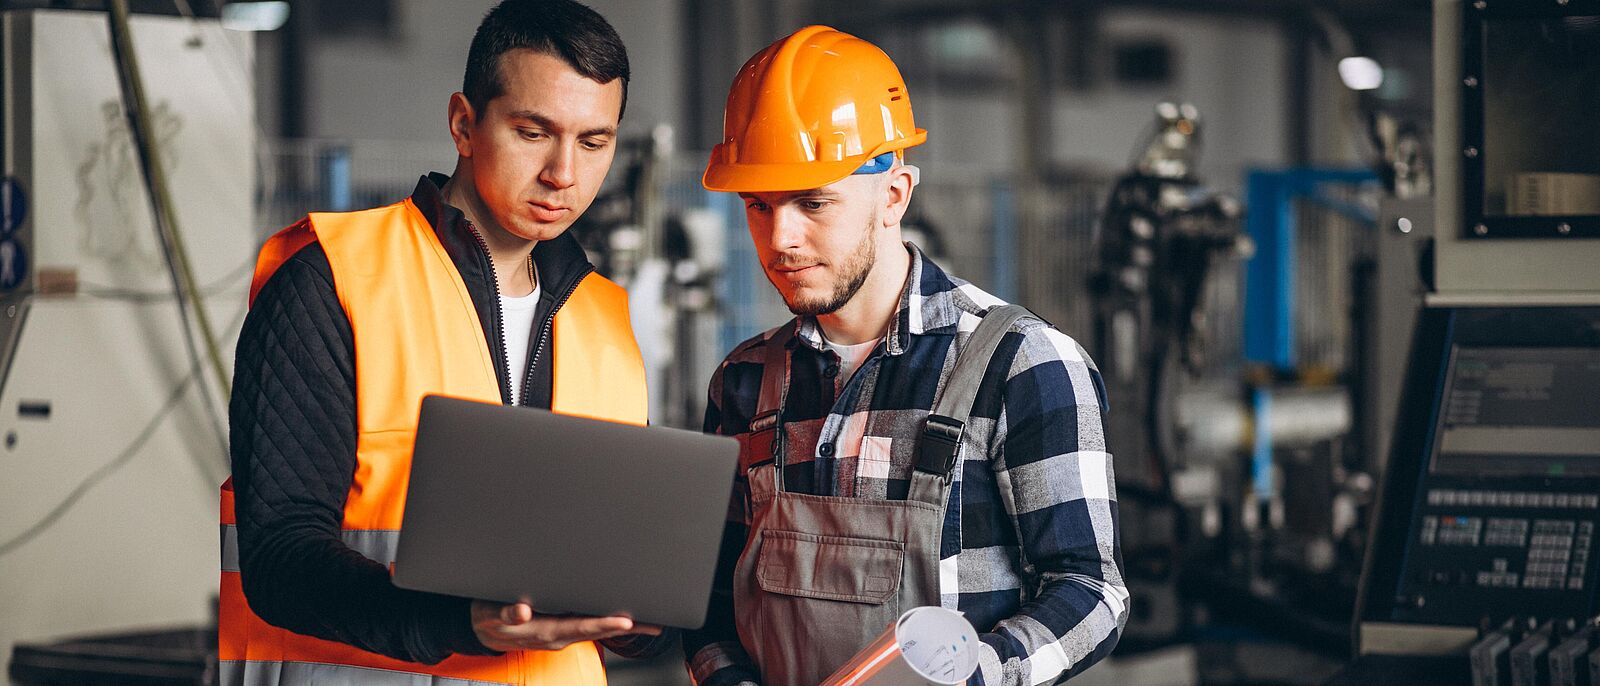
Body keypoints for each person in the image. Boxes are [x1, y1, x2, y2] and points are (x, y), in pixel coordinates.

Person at [220, 1, 669, 683]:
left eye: (593, 141)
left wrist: (647, 617)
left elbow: (606, 564)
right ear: (465, 123)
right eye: (532, 132)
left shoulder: (605, 321)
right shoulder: (332, 281)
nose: (563, 173)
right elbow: (281, 556)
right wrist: (458, 622)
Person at [684, 26, 1127, 686]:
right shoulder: (745, 383)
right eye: (758, 205)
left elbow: (1091, 593)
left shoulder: (1022, 365)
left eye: (813, 202)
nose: (781, 238)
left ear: (895, 194)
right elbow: (714, 604)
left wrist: (978, 672)